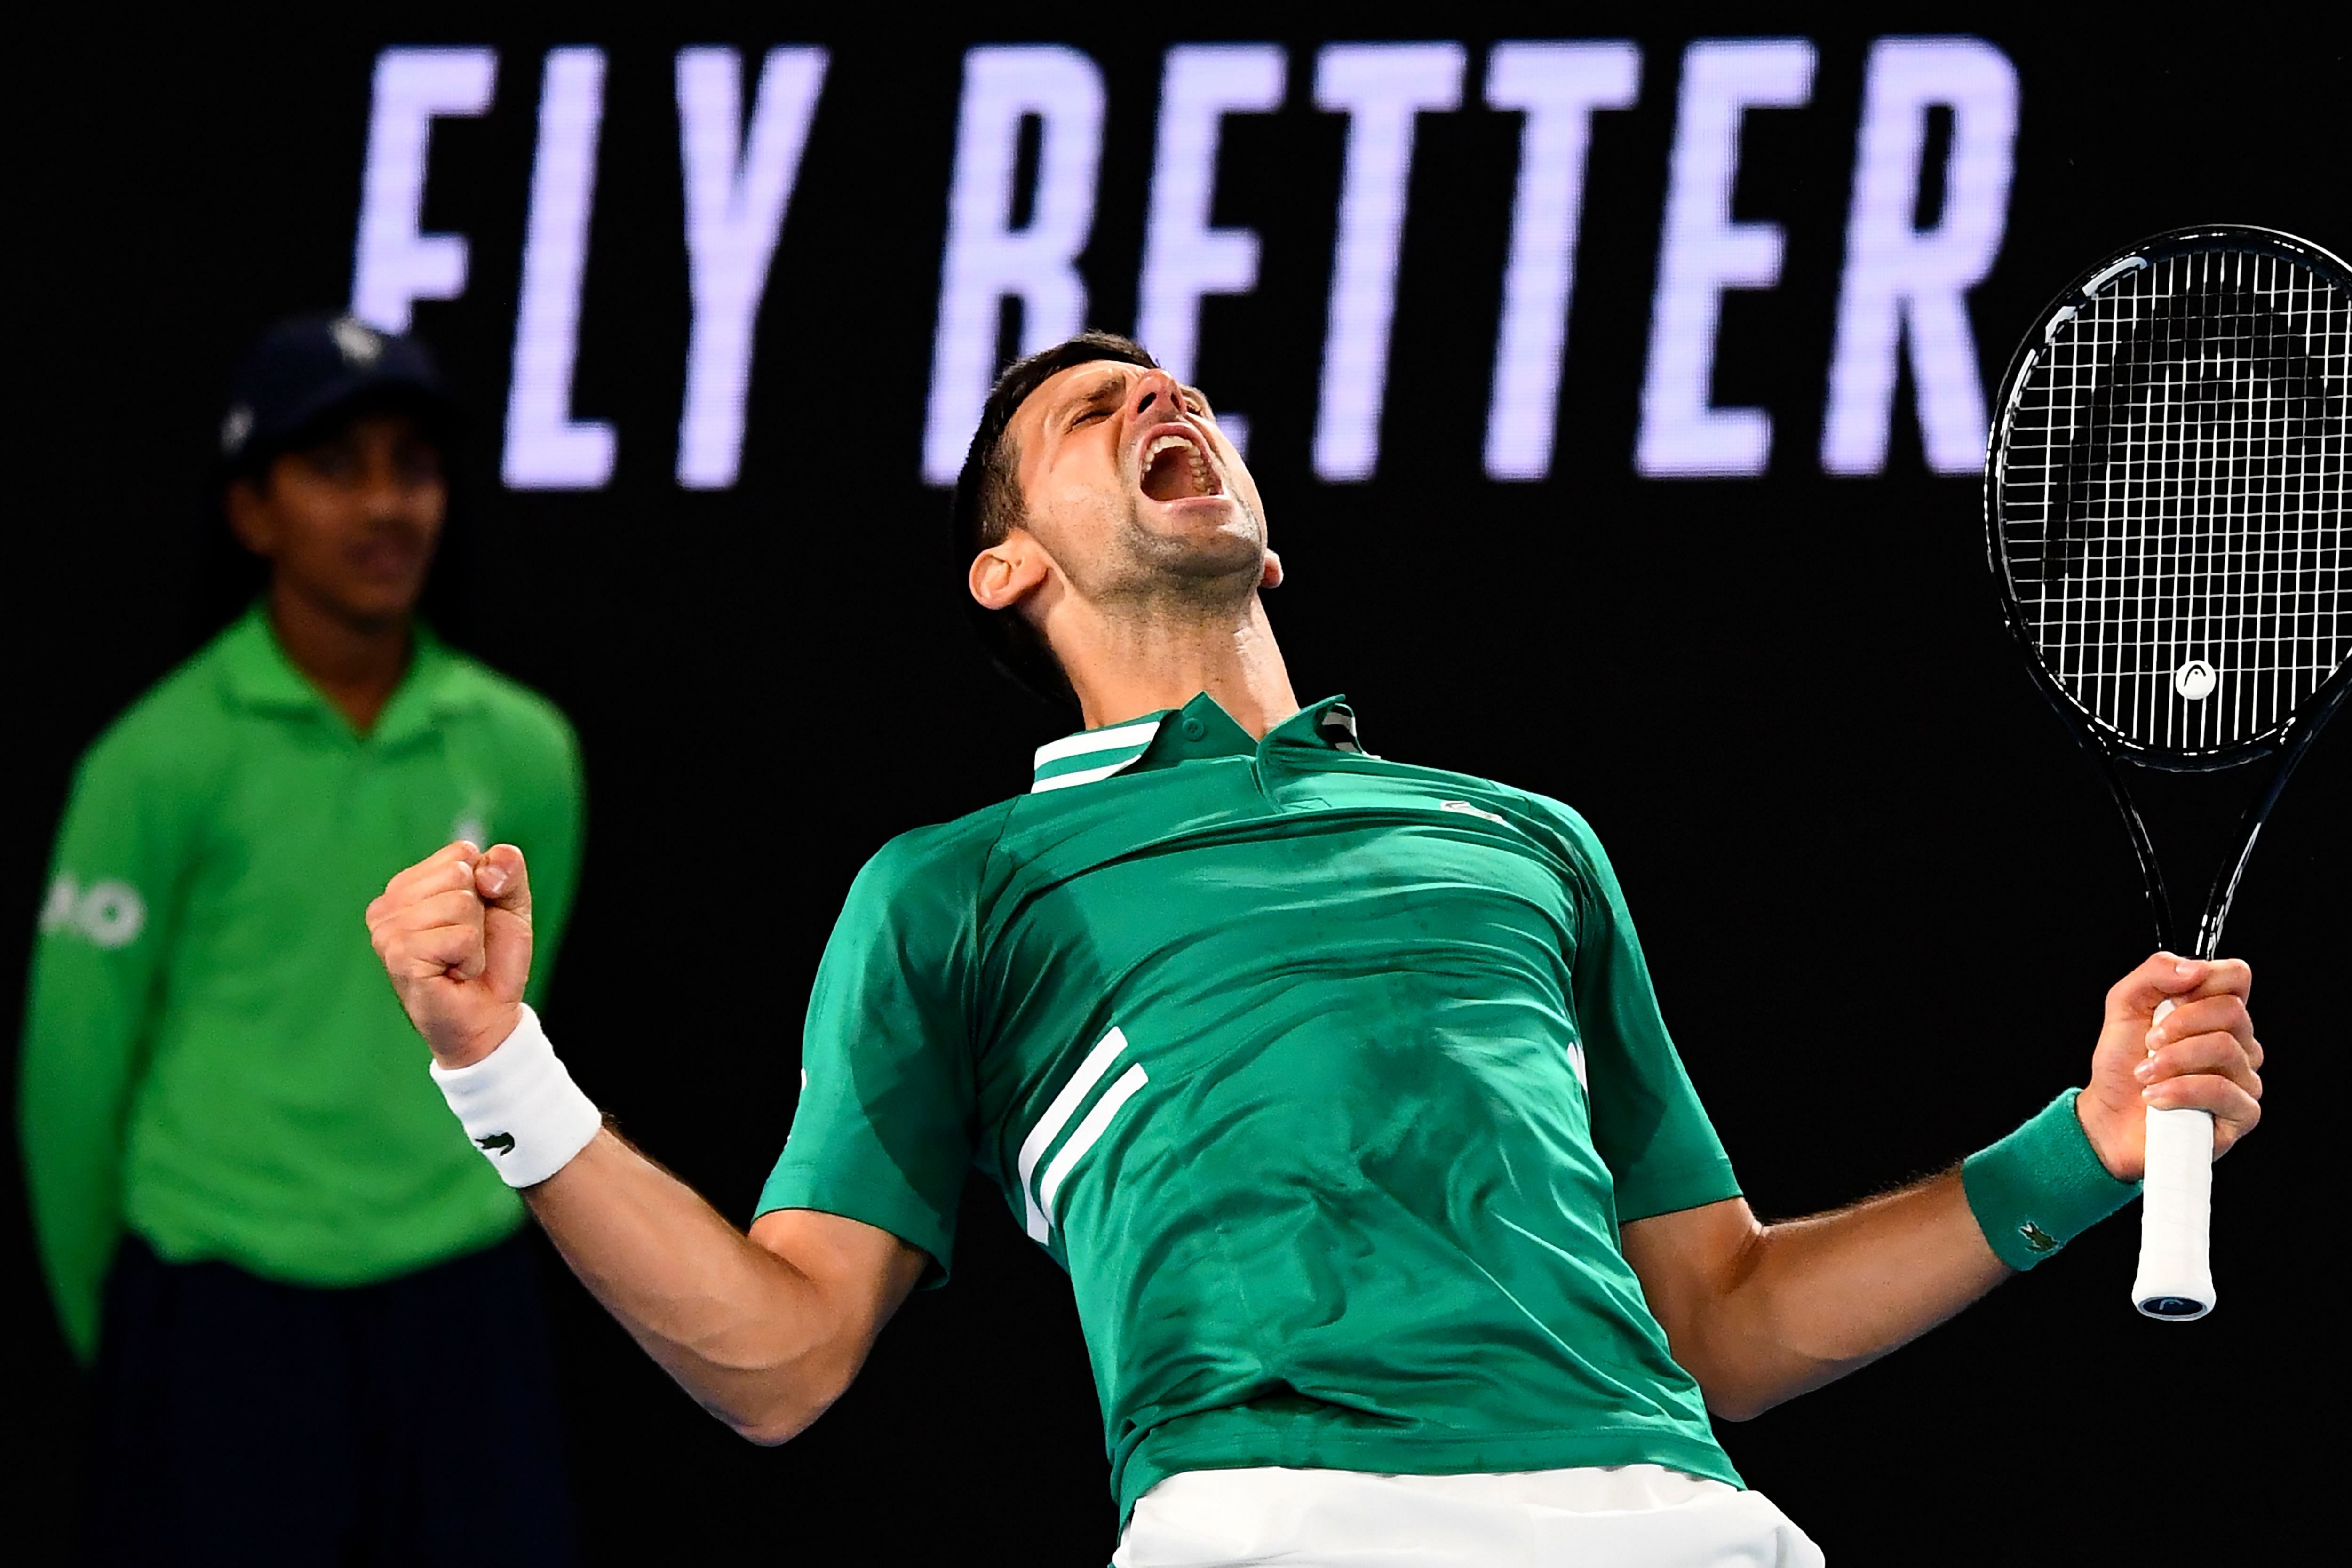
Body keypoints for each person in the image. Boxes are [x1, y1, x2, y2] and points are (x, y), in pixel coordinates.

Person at [362, 332, 2264, 1567]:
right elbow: (777, 1357)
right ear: (1005, 567)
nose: (1154, 405)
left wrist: (2072, 1154)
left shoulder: (1521, 839)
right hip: (1284, 1525)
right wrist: (493, 1064)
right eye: (1087, 415)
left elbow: (1718, 1325)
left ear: (1265, 549)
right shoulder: (958, 889)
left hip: (1671, 1522)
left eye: (1173, 393)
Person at [22, 315, 585, 1562]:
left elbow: (518, 1019)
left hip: (460, 1303)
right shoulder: (156, 761)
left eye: (414, 465)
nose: (387, 505)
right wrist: (124, 1342)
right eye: (336, 467)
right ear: (252, 510)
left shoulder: (524, 751)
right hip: (226, 1311)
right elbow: (69, 1081)